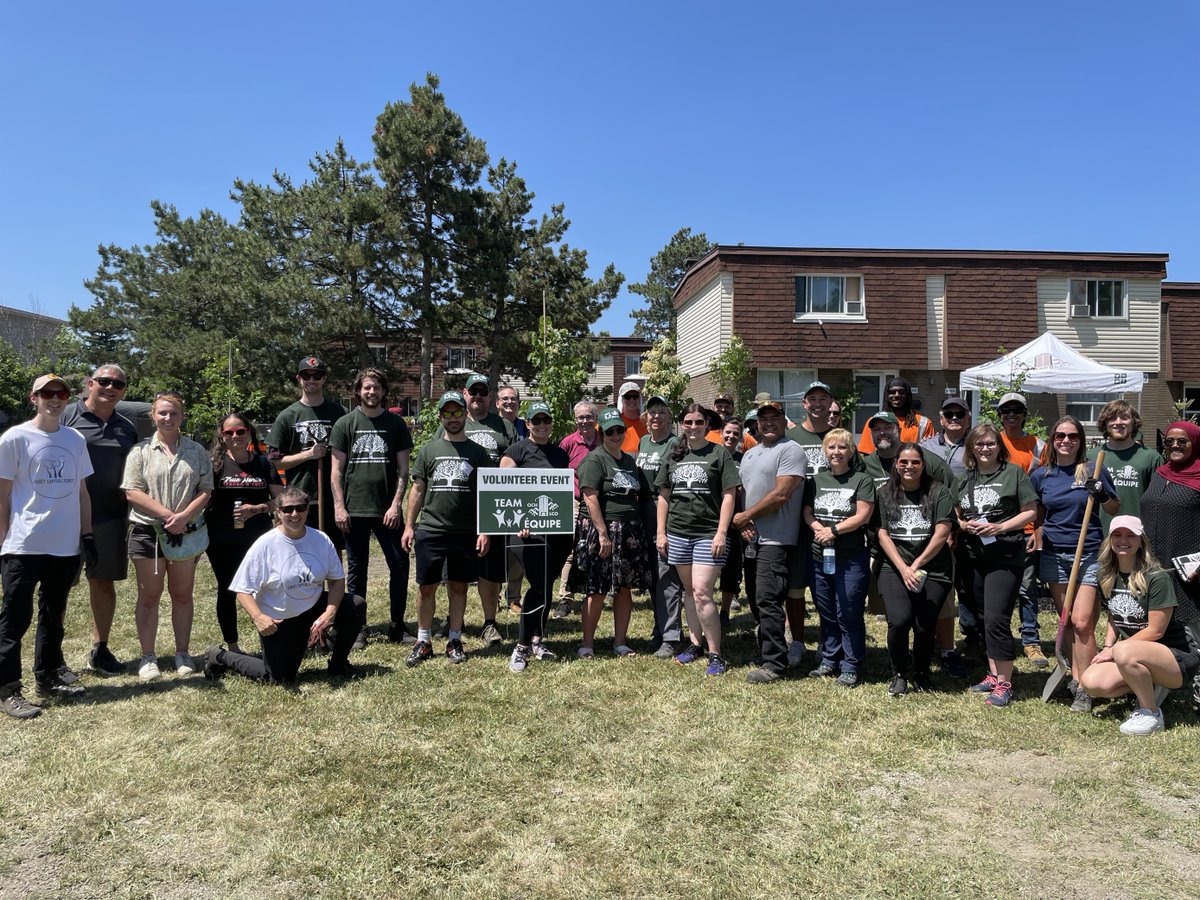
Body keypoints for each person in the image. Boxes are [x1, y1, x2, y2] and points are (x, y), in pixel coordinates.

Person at [201, 486, 367, 684]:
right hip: (280, 619)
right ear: (278, 512)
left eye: (300, 508)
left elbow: (337, 580)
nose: (294, 514)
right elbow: (242, 589)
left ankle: (339, 664)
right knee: (277, 678)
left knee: (355, 605)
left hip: (314, 609)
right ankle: (220, 656)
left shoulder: (321, 539)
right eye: (288, 509)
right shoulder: (265, 544)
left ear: (307, 509)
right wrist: (259, 617)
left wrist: (329, 613)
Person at [0, 375, 95, 719]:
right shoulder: (15, 438)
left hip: (64, 546)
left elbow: (82, 493)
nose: (55, 399)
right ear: (34, 398)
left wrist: (86, 536)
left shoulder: (75, 439)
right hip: (24, 546)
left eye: (61, 394)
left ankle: (49, 677)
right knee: (15, 620)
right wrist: (3, 543)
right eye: (47, 394)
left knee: (53, 616)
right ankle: (9, 688)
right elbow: (3, 496)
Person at [1029, 415, 1119, 712]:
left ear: (1080, 441)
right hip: (1055, 554)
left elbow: (1113, 506)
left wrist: (1102, 492)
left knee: (1082, 623)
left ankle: (1086, 686)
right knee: (1066, 620)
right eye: (1060, 436)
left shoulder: (1093, 469)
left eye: (1072, 436)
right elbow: (1038, 512)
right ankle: (1077, 677)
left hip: (1090, 552)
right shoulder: (1041, 475)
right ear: (1052, 441)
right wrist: (1038, 533)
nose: (1066, 441)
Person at [1078, 516, 1200, 734]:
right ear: (1110, 540)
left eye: (1130, 535)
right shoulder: (1106, 574)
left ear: (1141, 540)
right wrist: (1108, 646)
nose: (1123, 540)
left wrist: (1114, 651)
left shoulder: (1157, 577)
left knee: (1124, 650)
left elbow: (1156, 630)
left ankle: (1150, 713)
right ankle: (1148, 684)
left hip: (1177, 658)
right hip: (1134, 653)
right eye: (1117, 534)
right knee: (1091, 682)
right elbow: (1115, 616)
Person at [122, 390, 213, 680]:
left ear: (181, 417)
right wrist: (166, 516)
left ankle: (182, 653)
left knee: (182, 594)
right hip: (148, 532)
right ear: (153, 416)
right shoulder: (140, 452)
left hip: (186, 532)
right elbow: (132, 491)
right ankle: (148, 657)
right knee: (149, 596)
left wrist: (184, 517)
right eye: (162, 413)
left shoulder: (196, 451)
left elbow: (205, 489)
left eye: (173, 413)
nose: (168, 418)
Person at [401, 391, 493, 666]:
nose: (453, 418)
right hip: (431, 528)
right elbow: (417, 488)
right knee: (426, 587)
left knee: (459, 586)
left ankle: (454, 638)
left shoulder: (477, 453)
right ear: (441, 416)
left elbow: (485, 494)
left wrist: (485, 530)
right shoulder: (429, 450)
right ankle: (424, 639)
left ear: (465, 414)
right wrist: (409, 526)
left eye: (458, 412)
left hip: (464, 531)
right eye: (448, 413)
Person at [953, 423, 1038, 708]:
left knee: (996, 618)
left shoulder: (1012, 474)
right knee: (981, 616)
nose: (985, 448)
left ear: (998, 446)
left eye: (990, 443)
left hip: (1005, 556)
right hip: (973, 557)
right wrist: (962, 523)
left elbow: (1030, 512)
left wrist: (1000, 527)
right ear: (971, 449)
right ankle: (993, 673)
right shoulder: (965, 479)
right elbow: (956, 508)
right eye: (979, 444)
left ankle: (1005, 683)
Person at [61, 364, 138, 675]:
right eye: (104, 381)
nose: (110, 387)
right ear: (89, 383)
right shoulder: (66, 416)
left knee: (103, 583)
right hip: (65, 515)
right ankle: (52, 654)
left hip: (109, 518)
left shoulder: (127, 427)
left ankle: (100, 649)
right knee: (59, 585)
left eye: (118, 383)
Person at [330, 368, 414, 647]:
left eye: (376, 388)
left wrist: (396, 505)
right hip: (354, 511)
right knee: (357, 569)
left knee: (400, 565)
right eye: (366, 388)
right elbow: (336, 471)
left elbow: (404, 470)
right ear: (358, 391)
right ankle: (358, 628)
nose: (371, 392)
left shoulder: (396, 424)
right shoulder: (345, 424)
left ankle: (397, 625)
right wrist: (339, 507)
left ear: (383, 392)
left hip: (387, 511)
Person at [657, 404, 740, 676]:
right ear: (682, 424)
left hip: (708, 533)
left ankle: (716, 654)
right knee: (689, 592)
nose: (693, 426)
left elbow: (729, 494)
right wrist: (661, 532)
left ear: (707, 424)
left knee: (703, 591)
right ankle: (695, 645)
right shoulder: (674, 454)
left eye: (699, 422)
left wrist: (721, 532)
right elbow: (663, 496)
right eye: (689, 422)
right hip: (678, 531)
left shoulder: (719, 454)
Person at [440, 374, 517, 647]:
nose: (478, 396)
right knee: (456, 569)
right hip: (459, 505)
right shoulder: (453, 422)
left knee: (489, 569)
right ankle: (453, 620)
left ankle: (489, 623)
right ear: (465, 394)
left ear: (489, 395)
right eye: (474, 391)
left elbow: (515, 459)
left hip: (493, 506)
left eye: (483, 391)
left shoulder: (504, 426)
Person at [734, 399, 806, 684]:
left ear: (783, 419)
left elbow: (781, 495)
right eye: (763, 419)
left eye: (774, 417)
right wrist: (743, 523)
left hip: (777, 539)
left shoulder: (791, 451)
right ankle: (767, 649)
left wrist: (746, 516)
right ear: (757, 423)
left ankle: (775, 663)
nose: (768, 423)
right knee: (754, 596)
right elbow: (744, 493)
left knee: (768, 598)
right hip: (751, 537)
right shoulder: (750, 453)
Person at [571, 408, 653, 658]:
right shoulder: (594, 460)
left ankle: (620, 641)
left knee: (624, 587)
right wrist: (603, 534)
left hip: (630, 530)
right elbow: (590, 497)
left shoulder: (628, 460)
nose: (616, 435)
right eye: (610, 431)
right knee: (596, 588)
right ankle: (587, 643)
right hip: (603, 530)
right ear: (601, 433)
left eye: (619, 430)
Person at [876, 444, 955, 695]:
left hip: (933, 568)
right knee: (899, 621)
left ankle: (922, 672)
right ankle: (899, 672)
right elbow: (882, 534)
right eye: (903, 462)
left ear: (923, 465)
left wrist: (916, 565)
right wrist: (903, 568)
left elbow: (942, 533)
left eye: (915, 462)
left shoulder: (938, 492)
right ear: (896, 465)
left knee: (924, 624)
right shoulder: (884, 493)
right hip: (894, 567)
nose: (909, 467)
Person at [500, 402, 571, 673]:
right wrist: (521, 517)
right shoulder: (517, 449)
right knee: (538, 586)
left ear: (551, 423)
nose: (541, 424)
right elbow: (504, 485)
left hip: (557, 531)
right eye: (535, 420)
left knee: (546, 585)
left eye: (546, 420)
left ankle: (538, 640)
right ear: (527, 423)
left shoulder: (559, 453)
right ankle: (521, 646)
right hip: (526, 532)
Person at [204, 412, 283, 654]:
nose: (235, 436)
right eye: (229, 432)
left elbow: (281, 499)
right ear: (221, 435)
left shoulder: (262, 463)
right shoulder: (214, 465)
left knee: (264, 588)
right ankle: (233, 646)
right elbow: (203, 498)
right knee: (227, 589)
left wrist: (259, 508)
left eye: (240, 431)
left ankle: (273, 638)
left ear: (249, 432)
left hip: (258, 539)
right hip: (221, 539)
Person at [804, 428, 875, 687]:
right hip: (819, 557)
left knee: (848, 611)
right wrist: (818, 530)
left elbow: (862, 515)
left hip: (851, 557)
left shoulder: (861, 480)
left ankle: (851, 664)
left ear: (851, 451)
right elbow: (808, 511)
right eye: (831, 447)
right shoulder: (817, 480)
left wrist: (833, 530)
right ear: (825, 451)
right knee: (826, 611)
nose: (836, 452)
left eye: (842, 447)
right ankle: (829, 658)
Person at [1139, 420, 1200, 708]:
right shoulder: (1160, 474)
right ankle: (1152, 694)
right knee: (1158, 634)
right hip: (1155, 569)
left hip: (1191, 572)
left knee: (1195, 636)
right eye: (1170, 441)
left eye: (1182, 441)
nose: (1175, 445)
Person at [921, 396, 980, 667]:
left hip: (970, 523)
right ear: (941, 419)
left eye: (960, 414)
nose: (955, 418)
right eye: (949, 414)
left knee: (966, 588)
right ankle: (928, 639)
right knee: (936, 586)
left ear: (968, 418)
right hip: (933, 523)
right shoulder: (926, 446)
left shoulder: (977, 445)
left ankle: (970, 641)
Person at [266, 355, 346, 552]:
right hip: (301, 500)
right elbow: (276, 461)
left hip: (335, 498)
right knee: (301, 551)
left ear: (324, 379)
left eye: (316, 376)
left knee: (333, 553)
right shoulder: (288, 416)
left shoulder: (340, 413)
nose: (311, 380)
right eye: (306, 376)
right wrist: (309, 454)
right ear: (299, 379)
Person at [995, 392, 1051, 669]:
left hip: (1027, 528)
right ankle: (998, 639)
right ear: (1000, 415)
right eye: (1006, 411)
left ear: (1024, 414)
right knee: (999, 589)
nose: (1011, 415)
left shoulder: (1039, 446)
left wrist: (1037, 529)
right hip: (995, 528)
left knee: (1027, 588)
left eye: (1017, 410)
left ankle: (1031, 641)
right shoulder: (991, 442)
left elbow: (1043, 492)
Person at [783, 381, 837, 667]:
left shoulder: (838, 436)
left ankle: (829, 643)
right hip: (794, 521)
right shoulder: (790, 437)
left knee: (826, 586)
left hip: (830, 524)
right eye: (811, 399)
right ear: (803, 404)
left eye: (823, 398)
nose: (817, 404)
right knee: (794, 586)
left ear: (830, 404)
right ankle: (797, 642)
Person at [635, 395, 683, 658]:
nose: (655, 417)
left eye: (661, 412)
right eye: (651, 413)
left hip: (664, 507)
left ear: (669, 417)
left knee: (667, 574)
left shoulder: (675, 443)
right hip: (643, 509)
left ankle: (672, 636)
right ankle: (661, 628)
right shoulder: (643, 441)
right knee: (653, 573)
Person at [553, 400, 599, 619]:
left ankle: (595, 592)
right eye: (581, 417)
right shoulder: (568, 443)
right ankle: (565, 598)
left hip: (599, 501)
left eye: (589, 417)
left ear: (596, 419)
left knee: (598, 547)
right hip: (574, 500)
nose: (585, 421)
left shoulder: (604, 440)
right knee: (569, 550)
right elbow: (558, 472)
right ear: (576, 420)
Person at [1089, 400, 1162, 527]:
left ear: (1134, 423)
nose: (1118, 422)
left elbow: (1159, 504)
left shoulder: (1151, 458)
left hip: (1136, 536)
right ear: (1105, 423)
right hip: (1097, 536)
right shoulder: (1090, 457)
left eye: (1124, 418)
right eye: (1112, 418)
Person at [496, 384, 527, 611]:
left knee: (518, 545)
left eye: (513, 399)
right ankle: (494, 594)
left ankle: (513, 596)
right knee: (496, 546)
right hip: (494, 493)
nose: (509, 402)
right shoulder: (490, 426)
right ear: (497, 403)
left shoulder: (528, 425)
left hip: (520, 493)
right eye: (504, 399)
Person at [717, 418, 746, 627]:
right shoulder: (712, 455)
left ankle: (725, 611)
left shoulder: (744, 459)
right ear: (721, 432)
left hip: (735, 522)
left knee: (730, 569)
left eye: (736, 433)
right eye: (728, 432)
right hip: (711, 519)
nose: (731, 436)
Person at [858, 377, 935, 453]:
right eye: (892, 392)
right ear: (886, 396)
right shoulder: (874, 422)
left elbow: (931, 455)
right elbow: (866, 454)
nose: (897, 395)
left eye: (901, 392)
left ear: (908, 395)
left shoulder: (924, 423)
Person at [617, 382, 649, 453]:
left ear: (639, 399)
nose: (632, 400)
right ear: (621, 400)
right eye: (627, 397)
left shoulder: (648, 422)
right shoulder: (615, 422)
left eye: (635, 396)